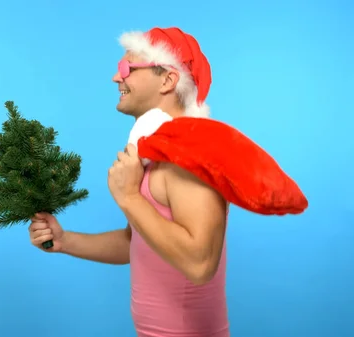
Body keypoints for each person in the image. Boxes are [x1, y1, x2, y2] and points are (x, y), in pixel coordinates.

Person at [29, 27, 230, 337]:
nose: (115, 77)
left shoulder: (189, 159)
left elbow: (201, 264)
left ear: (167, 79)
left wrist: (129, 197)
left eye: (126, 68)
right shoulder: (154, 155)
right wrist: (65, 240)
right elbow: (135, 242)